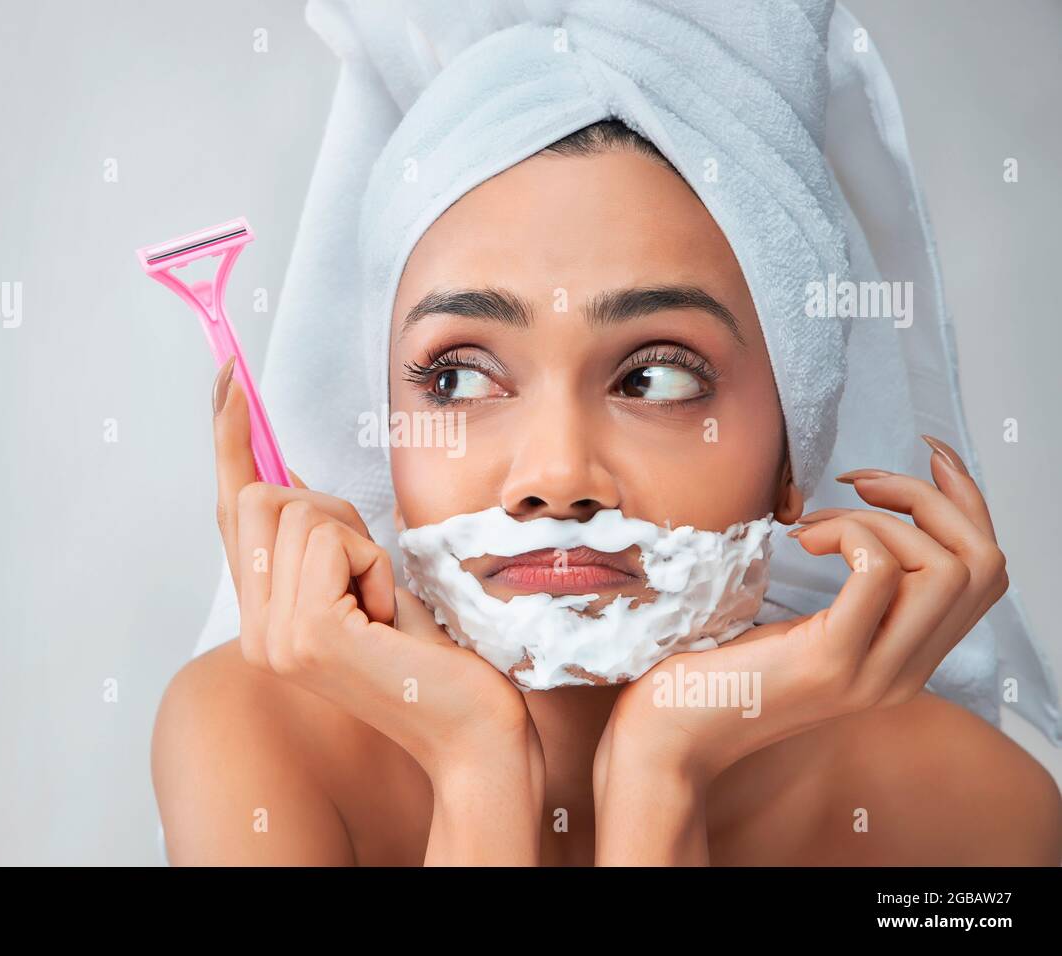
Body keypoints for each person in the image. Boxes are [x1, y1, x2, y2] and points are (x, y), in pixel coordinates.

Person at [151, 119, 1062, 866]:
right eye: (460, 381)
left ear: (796, 452)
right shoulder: (258, 736)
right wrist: (478, 763)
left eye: (657, 380)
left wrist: (661, 768)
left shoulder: (970, 813)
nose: (555, 478)